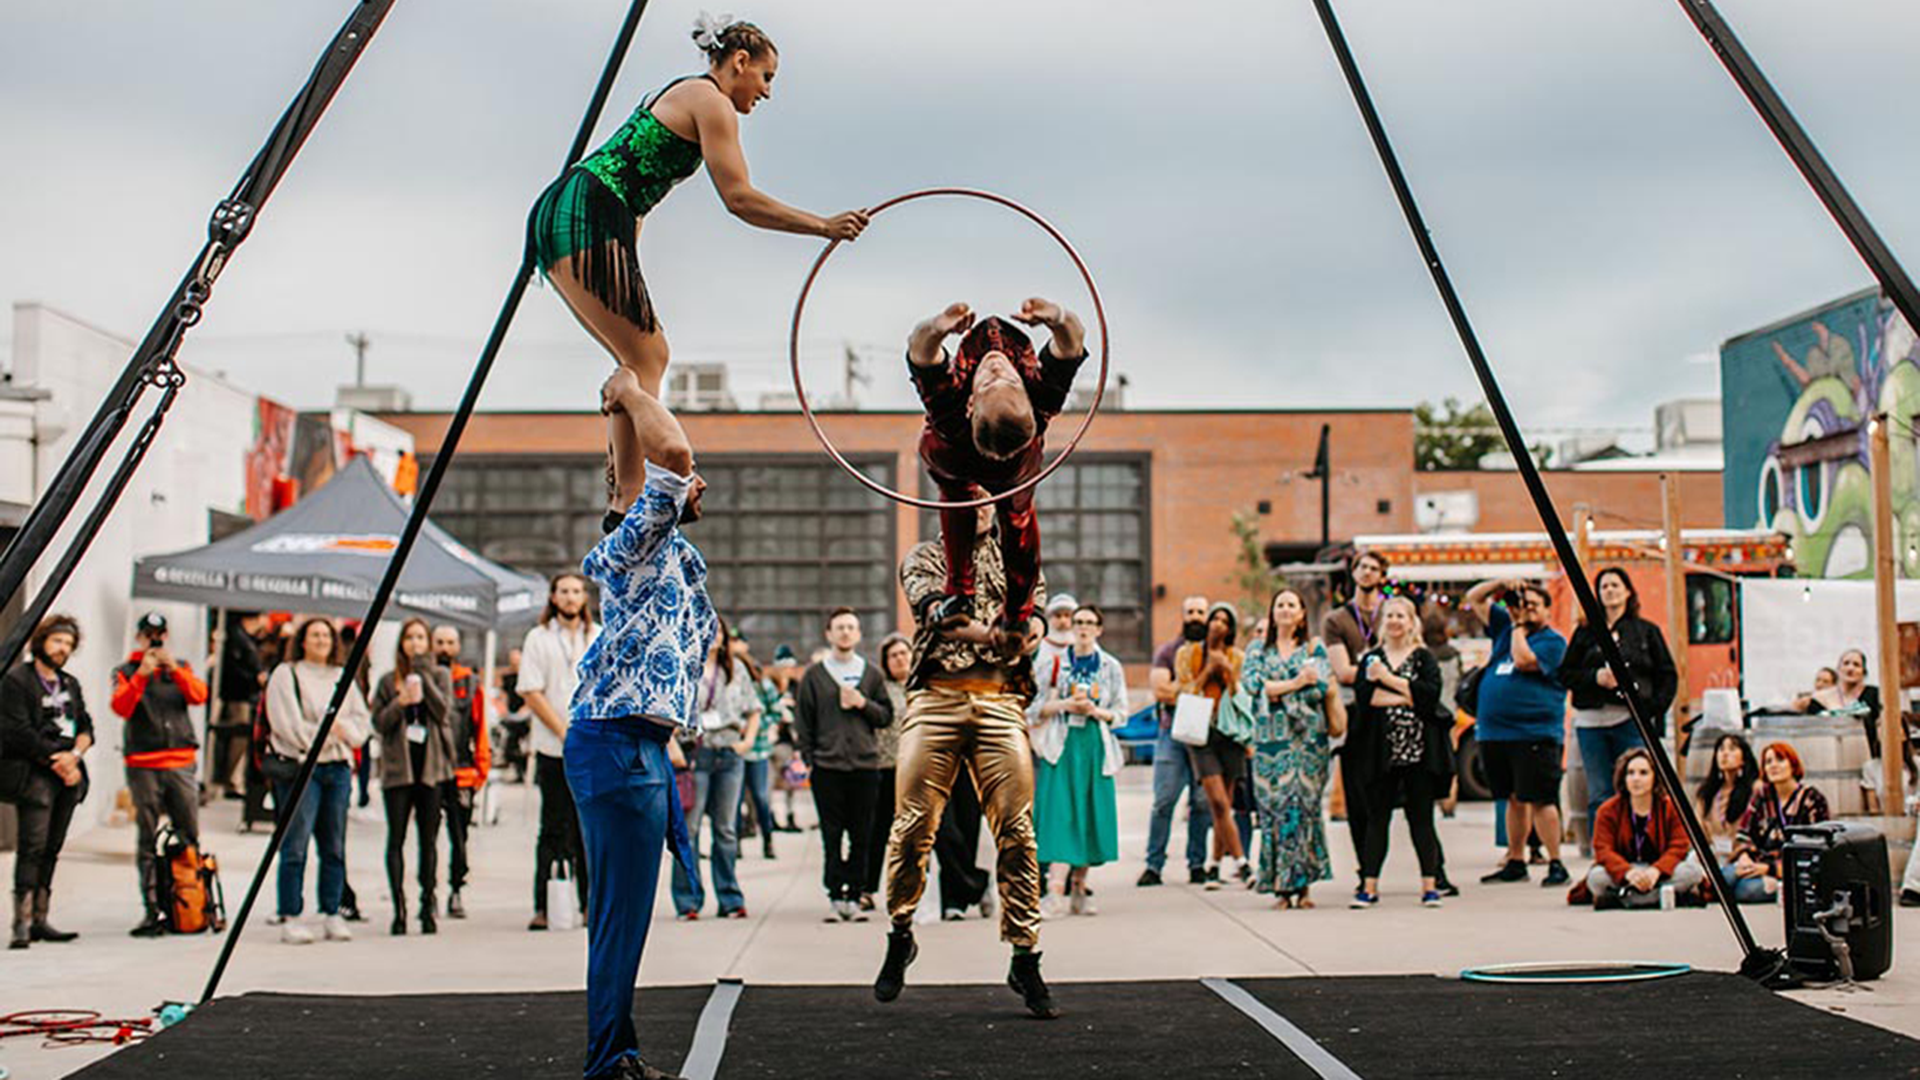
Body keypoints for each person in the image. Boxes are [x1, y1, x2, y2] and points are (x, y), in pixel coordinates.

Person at [528, 14, 867, 420]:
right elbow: (739, 198)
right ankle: (634, 483)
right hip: (588, 208)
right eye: (766, 76)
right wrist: (823, 226)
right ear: (740, 61)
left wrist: (628, 261)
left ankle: (625, 480)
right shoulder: (712, 103)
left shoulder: (680, 92)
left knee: (638, 360)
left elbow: (636, 190)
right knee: (649, 358)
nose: (768, 92)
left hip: (575, 208)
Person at [569, 368, 715, 1080]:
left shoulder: (672, 558)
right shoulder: (637, 546)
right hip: (618, 742)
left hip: (638, 745)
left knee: (625, 921)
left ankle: (615, 1051)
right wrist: (630, 387)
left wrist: (619, 410)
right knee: (620, 922)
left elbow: (636, 474)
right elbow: (674, 460)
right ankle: (608, 1061)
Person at [874, 502, 1056, 1018]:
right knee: (911, 826)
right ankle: (901, 931)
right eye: (966, 496)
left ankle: (1026, 954)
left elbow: (1036, 615)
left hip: (1000, 699)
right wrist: (998, 636)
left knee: (1018, 832)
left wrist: (1031, 632)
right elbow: (943, 616)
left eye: (984, 497)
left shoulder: (1020, 560)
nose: (976, 506)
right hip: (937, 699)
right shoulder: (925, 557)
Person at [906, 299, 1089, 641]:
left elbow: (920, 349)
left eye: (999, 383)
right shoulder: (1041, 392)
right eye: (1001, 382)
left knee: (1010, 518)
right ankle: (968, 594)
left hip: (975, 457)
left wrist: (938, 328)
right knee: (987, 507)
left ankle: (987, 603)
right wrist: (1057, 318)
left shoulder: (950, 402)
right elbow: (1072, 341)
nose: (999, 370)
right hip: (971, 455)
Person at [265, 617, 372, 944]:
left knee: (334, 845)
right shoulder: (287, 674)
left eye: (326, 635)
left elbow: (360, 722)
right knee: (295, 844)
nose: (322, 640)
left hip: (337, 769)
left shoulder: (342, 677)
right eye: (315, 634)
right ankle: (291, 914)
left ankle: (331, 911)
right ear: (302, 639)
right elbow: (287, 725)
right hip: (302, 768)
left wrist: (344, 733)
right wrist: (330, 733)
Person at [1464, 579, 1571, 888]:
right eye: (1521, 605)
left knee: (1541, 798)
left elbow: (1524, 662)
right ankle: (1515, 859)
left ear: (1548, 611)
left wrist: (1519, 628)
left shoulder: (1552, 642)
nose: (1525, 611)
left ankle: (1555, 861)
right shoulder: (1503, 628)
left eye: (1533, 606)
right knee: (1511, 798)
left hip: (1534, 732)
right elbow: (1474, 597)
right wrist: (1502, 584)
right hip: (1496, 732)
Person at [1240, 590, 1342, 907]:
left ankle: (1305, 887)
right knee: (1275, 811)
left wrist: (1281, 689)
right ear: (1272, 613)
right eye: (1279, 605)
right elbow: (1254, 685)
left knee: (1304, 809)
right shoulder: (1258, 649)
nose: (1285, 610)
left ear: (1301, 614)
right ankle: (1282, 889)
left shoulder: (1313, 648)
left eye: (1291, 605)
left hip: (1309, 741)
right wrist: (1297, 683)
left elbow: (1322, 686)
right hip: (1271, 742)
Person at [1349, 597, 1453, 908]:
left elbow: (1429, 696)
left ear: (1411, 622)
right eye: (1389, 615)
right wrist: (1405, 693)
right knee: (1376, 820)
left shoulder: (1423, 658)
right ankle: (1369, 886)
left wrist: (1388, 681)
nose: (1395, 621)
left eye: (1401, 616)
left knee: (1421, 820)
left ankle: (1430, 886)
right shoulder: (1372, 658)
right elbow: (1367, 700)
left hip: (1420, 752)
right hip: (1381, 753)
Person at [1560, 568, 1678, 839]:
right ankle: (1602, 851)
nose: (1610, 590)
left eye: (1615, 585)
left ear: (1628, 591)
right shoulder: (1585, 633)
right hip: (1591, 722)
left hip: (1630, 720)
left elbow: (1667, 674)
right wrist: (1595, 677)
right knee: (1600, 790)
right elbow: (1565, 673)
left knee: (1638, 785)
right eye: (1603, 586)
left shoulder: (1646, 631)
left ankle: (1643, 842)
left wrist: (1651, 708)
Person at [112, 612, 209, 938]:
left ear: (166, 636)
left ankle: (191, 902)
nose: (154, 640)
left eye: (159, 634)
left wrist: (175, 670)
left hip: (180, 761)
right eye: (148, 634)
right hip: (143, 763)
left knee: (189, 833)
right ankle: (151, 908)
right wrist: (142, 674)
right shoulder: (125, 670)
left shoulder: (180, 667)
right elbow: (121, 707)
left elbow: (199, 695)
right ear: (140, 637)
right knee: (146, 837)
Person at [792, 608, 893, 921]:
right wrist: (810, 759)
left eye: (851, 627)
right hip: (828, 766)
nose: (846, 632)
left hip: (865, 766)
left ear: (859, 633)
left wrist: (863, 703)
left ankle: (857, 892)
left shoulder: (872, 674)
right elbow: (803, 722)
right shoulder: (815, 676)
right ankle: (836, 894)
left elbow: (885, 716)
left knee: (863, 834)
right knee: (832, 835)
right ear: (829, 633)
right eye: (840, 627)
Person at [1028, 604, 1125, 917]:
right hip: (1063, 744)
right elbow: (1032, 707)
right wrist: (1065, 704)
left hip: (1095, 746)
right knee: (1059, 814)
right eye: (1078, 622)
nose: (1082, 627)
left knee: (1090, 813)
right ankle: (1055, 890)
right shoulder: (1055, 664)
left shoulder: (1110, 666)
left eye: (1089, 623)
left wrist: (1097, 711)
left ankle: (1080, 888)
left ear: (1099, 629)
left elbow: (1121, 713)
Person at [3, 615, 93, 948]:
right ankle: (21, 922)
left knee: (52, 848)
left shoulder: (69, 684)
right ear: (41, 641)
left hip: (68, 775)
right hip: (34, 775)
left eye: (68, 644)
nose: (62, 649)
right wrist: (59, 761)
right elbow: (17, 732)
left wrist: (75, 758)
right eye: (57, 641)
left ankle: (41, 917)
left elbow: (86, 727)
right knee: (33, 846)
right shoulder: (17, 681)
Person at [519, 572, 599, 931]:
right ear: (553, 597)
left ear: (584, 598)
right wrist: (565, 733)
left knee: (589, 828)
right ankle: (543, 905)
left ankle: (589, 905)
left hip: (593, 749)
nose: (570, 598)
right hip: (554, 748)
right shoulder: (538, 638)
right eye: (563, 591)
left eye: (576, 591)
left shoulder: (597, 636)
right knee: (552, 827)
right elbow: (531, 691)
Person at [671, 616, 760, 920]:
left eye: (718, 630)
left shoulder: (736, 669)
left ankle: (731, 898)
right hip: (696, 754)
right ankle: (688, 900)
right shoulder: (684, 670)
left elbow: (754, 710)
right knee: (690, 829)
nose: (713, 636)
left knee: (726, 830)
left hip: (729, 754)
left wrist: (747, 742)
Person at [371, 619, 455, 936]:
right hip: (398, 770)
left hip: (430, 769)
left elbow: (443, 712)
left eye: (421, 637)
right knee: (396, 839)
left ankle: (427, 904)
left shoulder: (441, 675)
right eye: (410, 638)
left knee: (429, 841)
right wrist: (400, 701)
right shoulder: (387, 681)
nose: (415, 643)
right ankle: (399, 908)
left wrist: (424, 675)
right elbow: (379, 723)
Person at [1140, 595, 1212, 887]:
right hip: (1171, 734)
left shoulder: (1216, 652)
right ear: (1182, 616)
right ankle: (1153, 865)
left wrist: (1179, 687)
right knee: (1164, 800)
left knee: (1202, 803)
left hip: (1207, 736)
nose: (1195, 617)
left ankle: (1197, 864)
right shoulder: (1167, 651)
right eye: (1190, 611)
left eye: (1200, 612)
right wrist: (1199, 687)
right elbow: (1161, 691)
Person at [1176, 602, 1248, 888]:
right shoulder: (1187, 653)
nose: (1218, 624)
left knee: (1225, 805)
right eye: (1214, 619)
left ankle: (1214, 866)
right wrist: (1208, 669)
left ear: (1231, 629)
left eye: (1224, 621)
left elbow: (1241, 696)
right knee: (1216, 800)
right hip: (1200, 732)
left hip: (1229, 734)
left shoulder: (1238, 657)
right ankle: (1243, 863)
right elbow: (1183, 691)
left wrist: (1227, 670)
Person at [1325, 551, 1386, 883]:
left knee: (1397, 793)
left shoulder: (1391, 612)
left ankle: (1434, 873)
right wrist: (1376, 670)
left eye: (1374, 568)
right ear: (1354, 572)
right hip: (1354, 713)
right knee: (1357, 793)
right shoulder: (1337, 619)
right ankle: (1366, 867)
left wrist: (1371, 671)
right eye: (1363, 567)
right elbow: (1342, 671)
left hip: (1389, 712)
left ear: (1381, 576)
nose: (1367, 573)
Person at [1587, 748, 1705, 909]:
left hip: (1661, 871)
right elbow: (1603, 849)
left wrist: (1656, 871)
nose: (1636, 779)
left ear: (1655, 777)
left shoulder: (1671, 807)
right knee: (1596, 878)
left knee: (1693, 872)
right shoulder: (1607, 810)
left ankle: (1624, 899)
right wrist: (1628, 872)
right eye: (1630, 773)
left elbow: (1679, 846)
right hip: (1626, 871)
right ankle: (1664, 897)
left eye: (1643, 773)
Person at [1802, 648, 1909, 814]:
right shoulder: (1821, 698)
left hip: (1866, 755)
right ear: (1838, 669)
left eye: (1856, 665)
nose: (1850, 668)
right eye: (1846, 663)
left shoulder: (1873, 695)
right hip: (1826, 759)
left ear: (1863, 672)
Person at [431, 625, 490, 920]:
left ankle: (456, 888)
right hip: (429, 771)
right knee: (427, 836)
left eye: (450, 642)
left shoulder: (469, 682)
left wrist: (482, 768)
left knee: (459, 836)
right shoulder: (424, 679)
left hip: (462, 772)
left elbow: (480, 729)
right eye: (439, 642)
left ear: (458, 646)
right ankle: (428, 892)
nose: (444, 647)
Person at [1724, 742, 1831, 903]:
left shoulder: (1812, 799)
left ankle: (1782, 888)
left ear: (1793, 765)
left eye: (1780, 760)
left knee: (1745, 890)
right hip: (1757, 862)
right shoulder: (1761, 795)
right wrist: (1744, 856)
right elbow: (1743, 834)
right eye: (1768, 762)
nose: (1773, 765)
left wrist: (1771, 869)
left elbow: (1816, 848)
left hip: (1790, 870)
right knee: (1723, 878)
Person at [863, 633, 913, 910]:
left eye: (903, 653)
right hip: (885, 766)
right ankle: (867, 888)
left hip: (917, 771)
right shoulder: (881, 687)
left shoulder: (923, 686)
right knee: (878, 830)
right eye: (893, 655)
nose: (899, 659)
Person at [213, 611, 269, 799]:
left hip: (242, 694)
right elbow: (234, 669)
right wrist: (256, 678)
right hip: (239, 695)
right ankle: (230, 780)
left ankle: (231, 780)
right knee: (238, 738)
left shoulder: (244, 638)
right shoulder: (238, 638)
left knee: (239, 739)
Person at [734, 635, 781, 859]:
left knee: (761, 798)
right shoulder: (728, 685)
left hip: (758, 750)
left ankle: (768, 840)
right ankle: (736, 845)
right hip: (734, 750)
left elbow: (776, 711)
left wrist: (758, 727)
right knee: (734, 800)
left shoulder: (762, 685)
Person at [1693, 733, 1759, 871]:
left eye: (1732, 749)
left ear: (1743, 759)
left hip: (1744, 858)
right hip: (1712, 855)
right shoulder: (1707, 792)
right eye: (1721, 749)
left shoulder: (1755, 790)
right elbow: (1697, 830)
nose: (1725, 754)